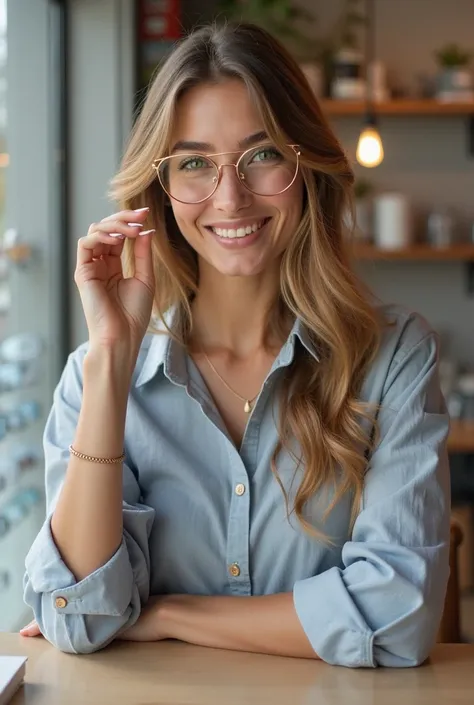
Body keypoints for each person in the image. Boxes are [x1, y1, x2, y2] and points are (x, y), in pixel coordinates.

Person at [20, 22, 450, 668]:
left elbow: (399, 617)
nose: (230, 197)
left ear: (306, 165)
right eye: (194, 163)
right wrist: (112, 351)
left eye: (262, 155)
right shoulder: (100, 376)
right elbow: (79, 618)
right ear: (160, 190)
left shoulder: (393, 356)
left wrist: (165, 613)